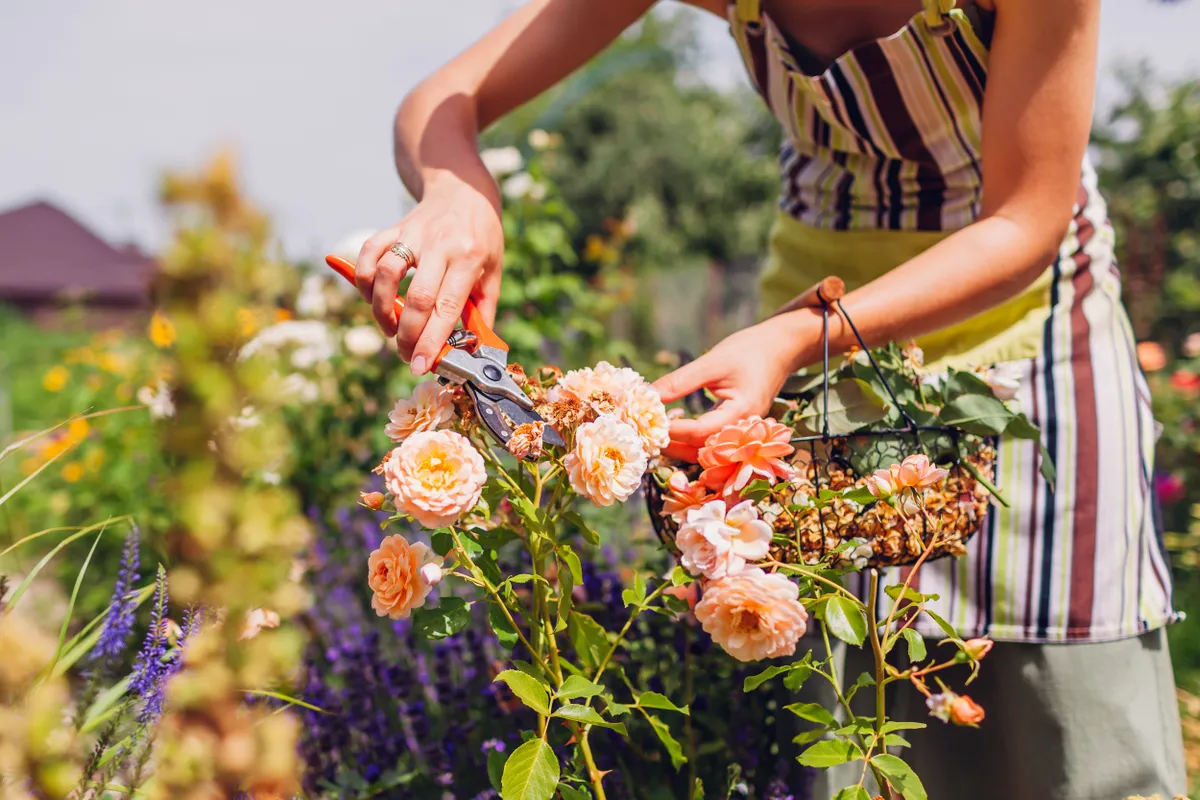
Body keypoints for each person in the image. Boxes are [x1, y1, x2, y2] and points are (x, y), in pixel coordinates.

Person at [352, 0, 1187, 796]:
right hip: (816, 381)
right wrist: (456, 190)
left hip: (1028, 345)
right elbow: (442, 100)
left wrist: (798, 333)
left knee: (1075, 720)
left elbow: (1025, 221)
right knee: (846, 717)